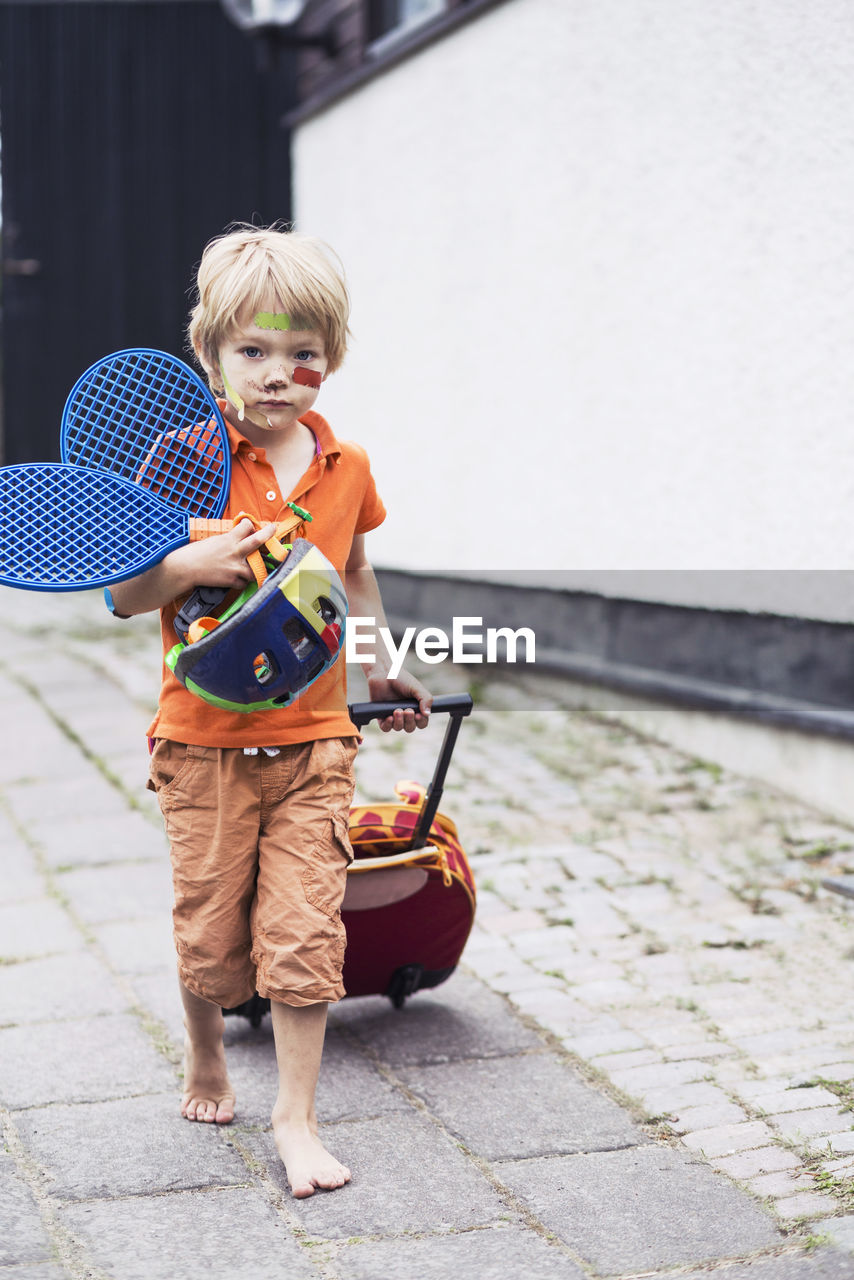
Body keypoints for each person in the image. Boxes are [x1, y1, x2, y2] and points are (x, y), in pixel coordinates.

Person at [108, 223, 431, 1198]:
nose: (277, 373)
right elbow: (124, 594)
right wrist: (185, 563)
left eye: (302, 354)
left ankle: (295, 1115)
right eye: (252, 351)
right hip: (202, 743)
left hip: (312, 743)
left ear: (328, 361)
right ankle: (205, 1050)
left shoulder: (348, 464)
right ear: (208, 353)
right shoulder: (178, 459)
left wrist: (381, 668)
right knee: (212, 934)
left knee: (301, 931)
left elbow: (358, 571)